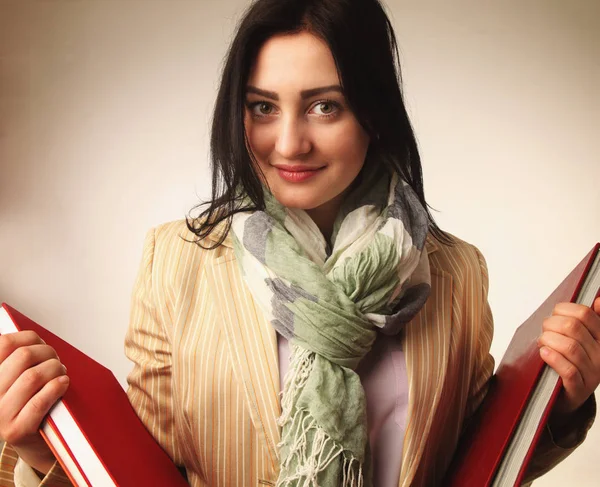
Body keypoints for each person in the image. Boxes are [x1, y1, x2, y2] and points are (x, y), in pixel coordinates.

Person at [0, 0, 598, 486]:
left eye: (324, 106)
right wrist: (43, 453)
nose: (288, 144)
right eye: (263, 107)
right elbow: (147, 472)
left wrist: (561, 404)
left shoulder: (455, 273)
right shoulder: (176, 262)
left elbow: (475, 463)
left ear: (375, 114)